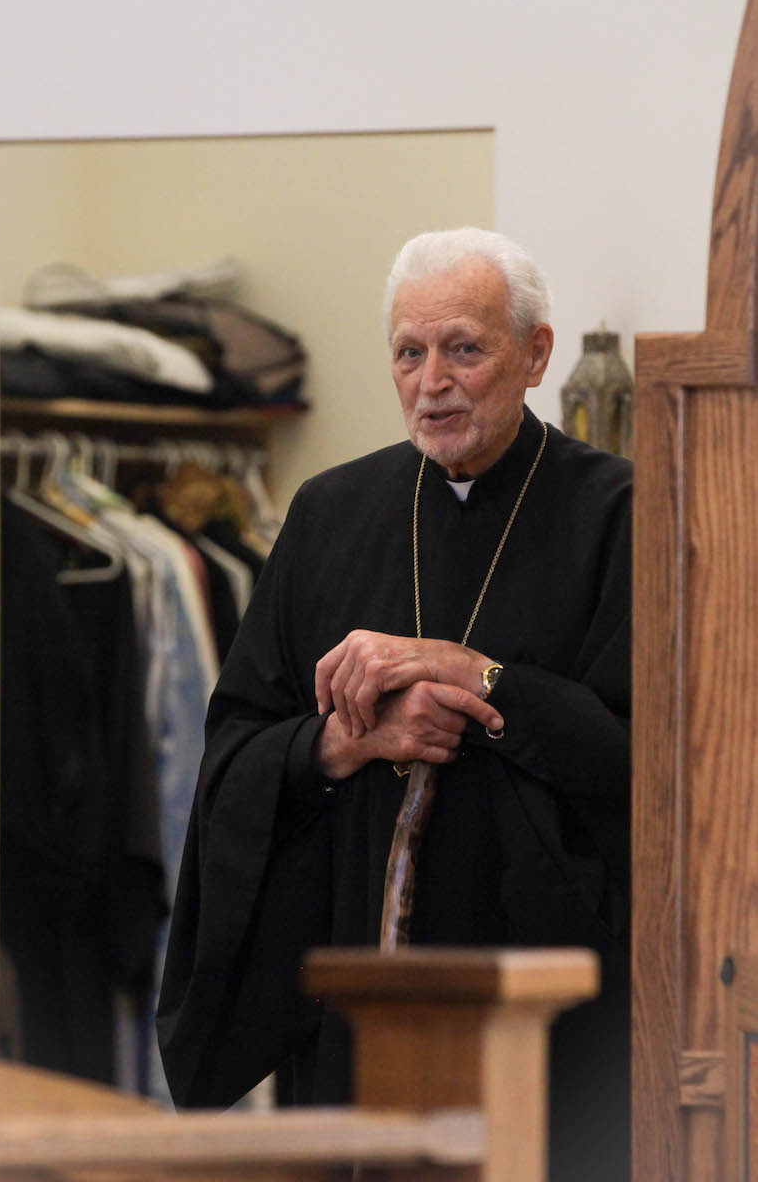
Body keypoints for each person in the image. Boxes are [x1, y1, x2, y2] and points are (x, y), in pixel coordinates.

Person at [157, 227, 631, 1179]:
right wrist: (346, 744)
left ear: (535, 354)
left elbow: (642, 764)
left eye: (464, 348)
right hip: (355, 992)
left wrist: (478, 677)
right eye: (409, 353)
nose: (432, 382)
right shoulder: (329, 512)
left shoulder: (619, 511)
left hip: (551, 1011)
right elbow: (236, 751)